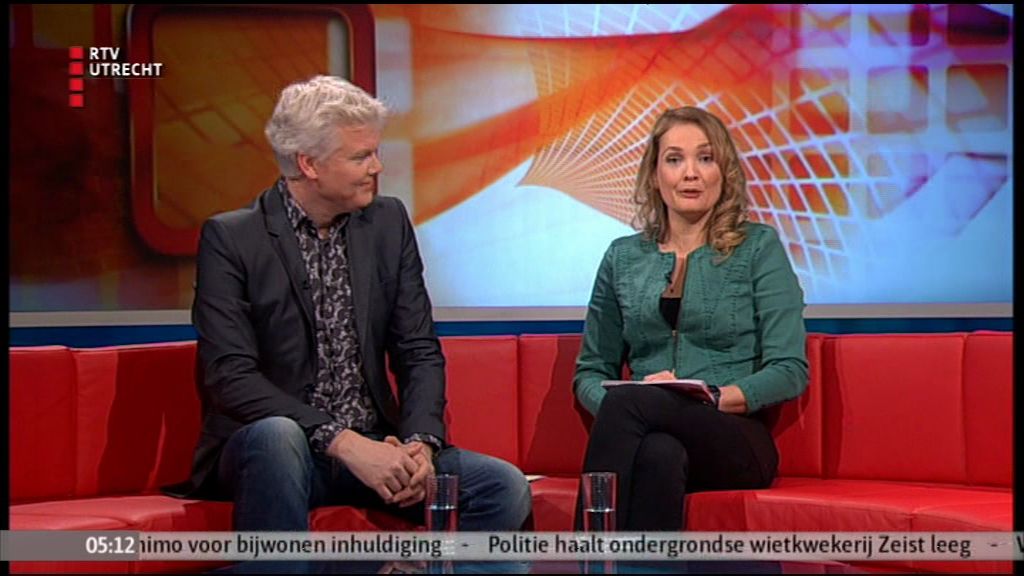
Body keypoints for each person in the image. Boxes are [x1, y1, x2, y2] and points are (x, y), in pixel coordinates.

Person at [167, 75, 531, 535]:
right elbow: (230, 377)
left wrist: (420, 445)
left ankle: (428, 566)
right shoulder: (233, 238)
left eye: (376, 152)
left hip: (378, 448)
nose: (377, 166)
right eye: (360, 156)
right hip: (276, 453)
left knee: (501, 486)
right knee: (278, 436)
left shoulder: (387, 223)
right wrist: (342, 441)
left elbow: (417, 349)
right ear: (309, 164)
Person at [573, 106, 808, 531]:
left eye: (705, 158)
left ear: (724, 171)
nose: (691, 174)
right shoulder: (622, 257)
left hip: (735, 435)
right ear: (654, 174)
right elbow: (590, 371)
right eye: (674, 159)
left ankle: (582, 554)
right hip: (649, 435)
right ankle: (635, 562)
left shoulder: (758, 247)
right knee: (659, 455)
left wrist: (712, 396)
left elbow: (789, 370)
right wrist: (631, 408)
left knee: (637, 407)